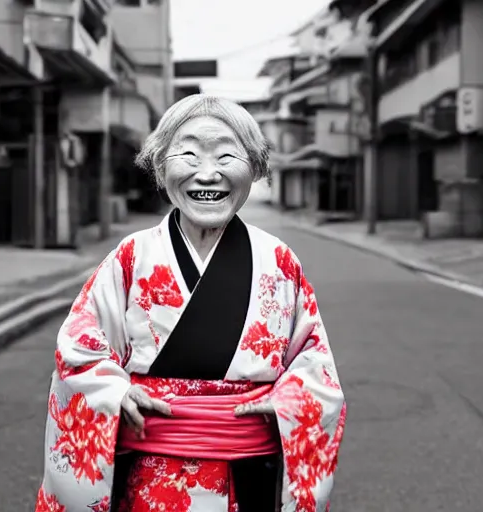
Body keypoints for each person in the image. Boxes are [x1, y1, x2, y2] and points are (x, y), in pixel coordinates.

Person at [35, 94, 347, 512]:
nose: (207, 174)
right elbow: (79, 349)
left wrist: (291, 400)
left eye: (226, 156)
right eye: (188, 154)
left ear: (254, 167)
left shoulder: (279, 261)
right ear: (161, 168)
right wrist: (111, 389)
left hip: (248, 474)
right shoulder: (131, 256)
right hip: (150, 475)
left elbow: (314, 360)